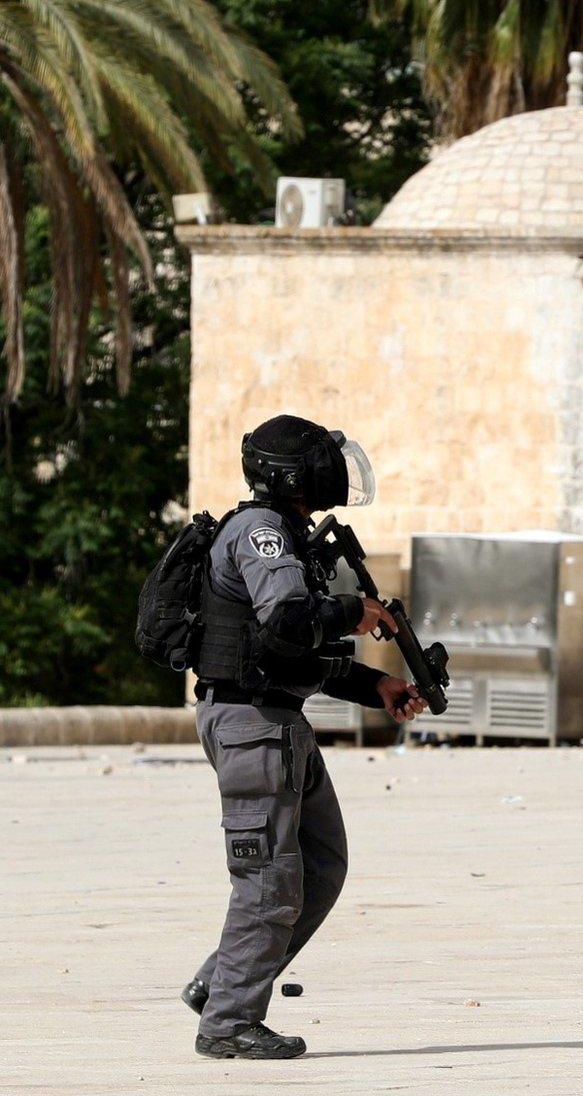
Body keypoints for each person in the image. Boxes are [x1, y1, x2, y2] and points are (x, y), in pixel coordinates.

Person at [178, 415, 425, 1060]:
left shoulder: (289, 536)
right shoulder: (259, 532)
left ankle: (224, 982)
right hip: (252, 726)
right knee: (268, 879)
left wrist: (376, 687)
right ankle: (229, 1022)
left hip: (279, 719)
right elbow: (288, 620)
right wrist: (354, 609)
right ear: (292, 474)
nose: (335, 473)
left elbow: (287, 654)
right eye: (321, 462)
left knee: (321, 863)